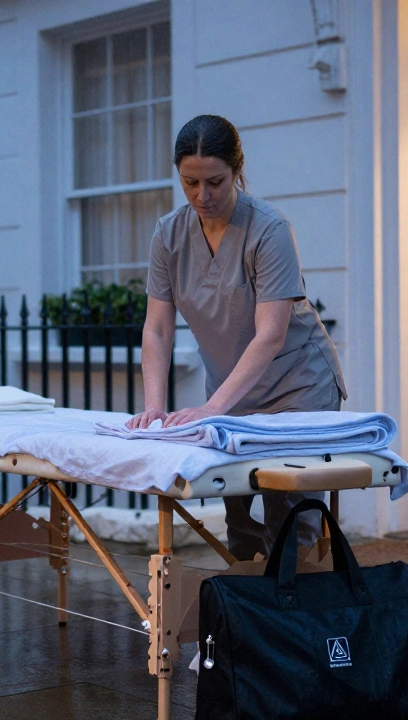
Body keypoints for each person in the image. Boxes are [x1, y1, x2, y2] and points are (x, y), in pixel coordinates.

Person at [126, 114, 347, 561]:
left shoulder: (269, 230)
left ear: (237, 171)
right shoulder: (169, 234)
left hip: (296, 388)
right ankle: (246, 601)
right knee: (239, 515)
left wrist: (212, 410)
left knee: (290, 516)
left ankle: (295, 601)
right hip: (233, 390)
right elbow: (158, 328)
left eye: (215, 182)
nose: (202, 196)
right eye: (190, 182)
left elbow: (270, 334)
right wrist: (154, 407)